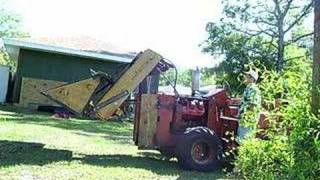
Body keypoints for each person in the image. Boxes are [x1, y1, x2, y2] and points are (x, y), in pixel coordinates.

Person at [238, 69, 262, 140]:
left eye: (247, 76)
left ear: (252, 79)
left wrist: (247, 119)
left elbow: (252, 104)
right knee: (241, 140)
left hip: (248, 120)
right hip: (244, 119)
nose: (245, 77)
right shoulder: (248, 89)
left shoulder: (253, 89)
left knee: (245, 140)